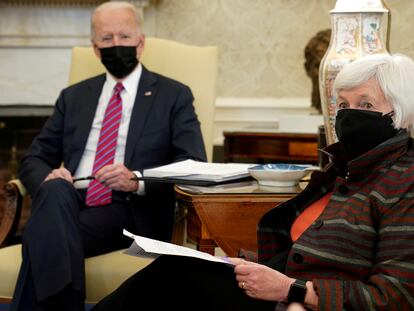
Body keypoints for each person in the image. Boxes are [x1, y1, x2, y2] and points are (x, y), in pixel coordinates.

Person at [92, 52, 414, 311]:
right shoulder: (343, 167)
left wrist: (293, 290)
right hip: (280, 291)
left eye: (366, 104)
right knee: (175, 272)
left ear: (400, 113)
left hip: (300, 299)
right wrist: (243, 264)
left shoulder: (403, 181)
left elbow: (395, 296)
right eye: (343, 104)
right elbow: (301, 250)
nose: (349, 114)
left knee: (172, 280)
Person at [11, 1, 206, 311]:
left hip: (128, 208)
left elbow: (193, 163)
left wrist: (136, 180)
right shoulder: (73, 96)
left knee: (40, 233)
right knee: (55, 190)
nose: (116, 45)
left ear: (141, 44)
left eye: (124, 37)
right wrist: (49, 176)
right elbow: (33, 159)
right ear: (95, 48)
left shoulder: (173, 95)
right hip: (71, 199)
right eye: (107, 38)